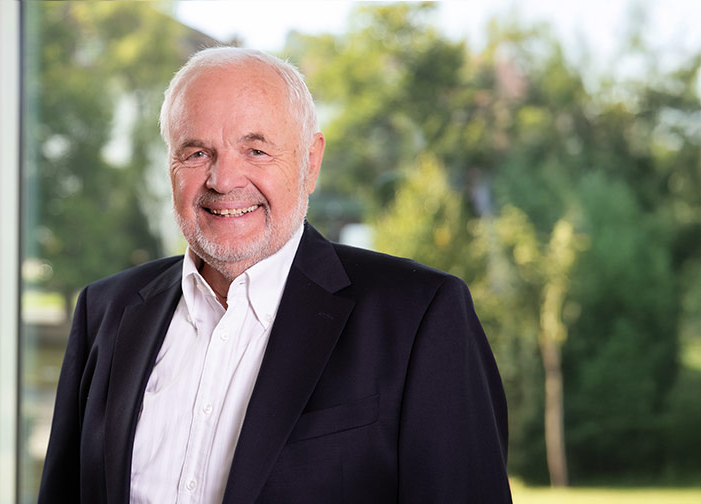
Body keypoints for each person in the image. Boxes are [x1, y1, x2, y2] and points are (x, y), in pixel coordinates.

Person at [35, 47, 509, 504]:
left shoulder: (419, 316)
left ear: (311, 162)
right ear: (171, 165)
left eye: (256, 150)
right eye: (197, 153)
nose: (224, 180)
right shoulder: (106, 313)